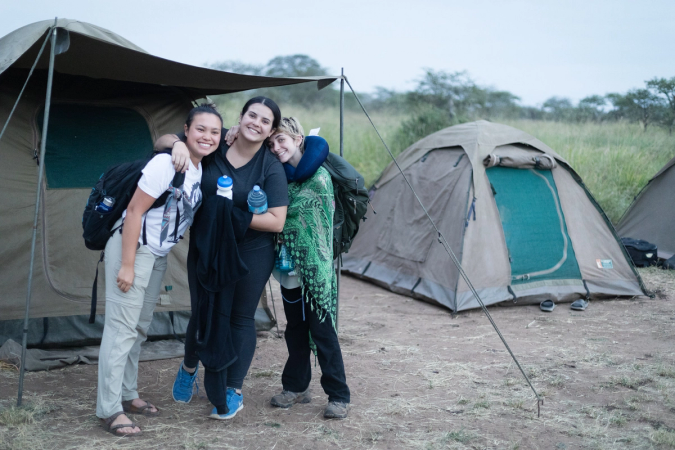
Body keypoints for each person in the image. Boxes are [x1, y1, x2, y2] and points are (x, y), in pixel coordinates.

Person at [155, 97, 287, 420]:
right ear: (240, 118)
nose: (256, 123)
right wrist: (178, 146)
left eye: (264, 121)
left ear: (270, 131)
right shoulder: (215, 141)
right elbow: (161, 140)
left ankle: (233, 388)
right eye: (251, 115)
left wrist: (233, 215)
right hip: (209, 246)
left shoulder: (269, 166)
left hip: (251, 251)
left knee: (240, 318)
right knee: (202, 311)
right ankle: (189, 369)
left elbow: (277, 220)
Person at [96, 103, 222, 437]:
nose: (207, 137)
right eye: (200, 130)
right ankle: (109, 409)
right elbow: (135, 212)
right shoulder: (167, 163)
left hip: (157, 256)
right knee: (121, 329)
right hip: (133, 250)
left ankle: (128, 393)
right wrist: (126, 265)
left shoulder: (196, 166)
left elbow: (171, 139)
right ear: (186, 130)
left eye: (215, 132)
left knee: (138, 328)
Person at [268, 117, 351, 419]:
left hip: (316, 267)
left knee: (324, 332)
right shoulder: (280, 176)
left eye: (282, 140)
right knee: (295, 330)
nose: (277, 147)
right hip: (289, 269)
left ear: (299, 139)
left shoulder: (318, 177)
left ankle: (339, 395)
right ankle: (296, 386)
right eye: (272, 143)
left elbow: (312, 220)